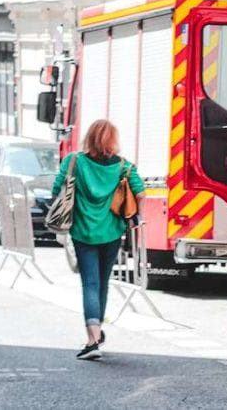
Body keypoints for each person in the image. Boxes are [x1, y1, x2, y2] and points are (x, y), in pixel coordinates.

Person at [52, 119, 144, 360]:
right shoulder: (124, 166)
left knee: (90, 284)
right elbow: (140, 192)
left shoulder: (74, 161)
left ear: (89, 137)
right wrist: (136, 215)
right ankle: (98, 331)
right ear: (113, 139)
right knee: (103, 282)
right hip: (112, 232)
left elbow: (56, 190)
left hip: (82, 232)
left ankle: (93, 339)